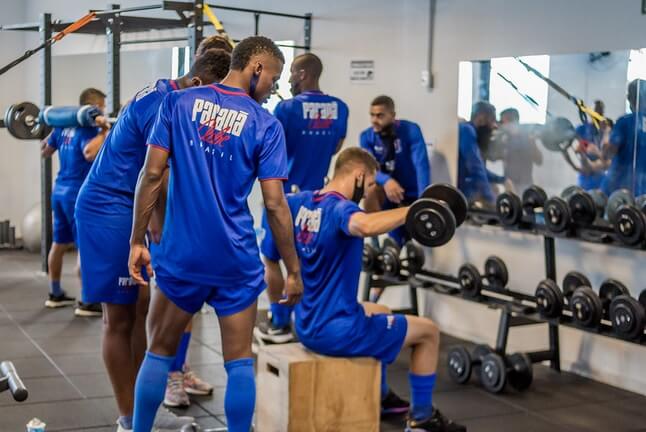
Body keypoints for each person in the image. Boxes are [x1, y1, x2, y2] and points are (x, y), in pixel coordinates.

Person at [127, 36, 303, 432]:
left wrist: (137, 241)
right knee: (239, 361)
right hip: (235, 259)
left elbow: (151, 175)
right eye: (273, 80)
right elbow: (275, 205)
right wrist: (293, 270)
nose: (273, 89)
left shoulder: (178, 103)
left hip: (182, 256)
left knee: (158, 352)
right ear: (257, 68)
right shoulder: (265, 124)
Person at [75, 49, 231, 432]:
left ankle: (145, 410)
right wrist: (156, 226)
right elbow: (155, 173)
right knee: (118, 318)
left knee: (140, 308)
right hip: (109, 209)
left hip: (126, 206)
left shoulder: (170, 93)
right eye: (213, 95)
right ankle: (129, 419)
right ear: (197, 83)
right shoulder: (165, 103)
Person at [262, 147, 466, 432]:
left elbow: (270, 249)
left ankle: (380, 398)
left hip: (306, 323)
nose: (369, 193)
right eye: (370, 184)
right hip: (338, 331)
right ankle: (421, 419)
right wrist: (415, 209)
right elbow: (365, 225)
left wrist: (279, 312)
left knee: (380, 310)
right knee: (429, 332)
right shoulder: (342, 209)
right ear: (359, 175)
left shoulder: (299, 202)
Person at [255, 52, 349, 344]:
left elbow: (270, 148)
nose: (288, 80)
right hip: (318, 199)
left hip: (284, 198)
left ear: (304, 74)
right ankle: (309, 323)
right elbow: (336, 148)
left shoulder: (287, 108)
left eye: (292, 73)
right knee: (308, 261)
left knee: (272, 259)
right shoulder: (340, 108)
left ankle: (280, 323)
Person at [163, 35, 236, 410]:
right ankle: (169, 376)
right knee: (166, 311)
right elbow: (153, 170)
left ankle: (179, 369)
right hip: (169, 220)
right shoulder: (172, 102)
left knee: (187, 309)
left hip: (200, 227)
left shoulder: (222, 112)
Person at [41, 88, 108, 315]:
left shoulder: (62, 126)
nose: (104, 111)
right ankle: (88, 301)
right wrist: (104, 131)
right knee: (84, 246)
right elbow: (89, 153)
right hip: (77, 195)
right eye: (103, 107)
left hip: (59, 192)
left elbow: (45, 150)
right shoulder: (88, 128)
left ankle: (55, 294)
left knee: (59, 244)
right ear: (94, 107)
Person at [359, 95, 431, 246]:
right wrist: (386, 181)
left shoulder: (411, 130)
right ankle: (375, 246)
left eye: (380, 115)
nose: (374, 120)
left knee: (406, 240)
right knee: (370, 191)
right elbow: (369, 170)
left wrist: (423, 200)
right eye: (372, 115)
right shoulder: (366, 137)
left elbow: (421, 165)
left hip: (410, 193)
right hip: (387, 194)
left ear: (392, 115)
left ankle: (402, 244)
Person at [601, 79, 646, 196]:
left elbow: (608, 153)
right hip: (642, 194)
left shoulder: (625, 122)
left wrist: (606, 132)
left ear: (630, 98)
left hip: (618, 191)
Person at [458, 101, 504, 203]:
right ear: (481, 118)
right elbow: (475, 168)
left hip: (464, 192)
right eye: (492, 120)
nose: (494, 126)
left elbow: (481, 169)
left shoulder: (469, 132)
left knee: (494, 188)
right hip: (461, 193)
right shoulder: (467, 130)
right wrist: (492, 201)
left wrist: (502, 180)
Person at [499, 108, 543, 195]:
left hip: (525, 185)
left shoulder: (527, 138)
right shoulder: (505, 138)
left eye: (503, 122)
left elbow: (539, 160)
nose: (501, 125)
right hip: (509, 185)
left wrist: (531, 143)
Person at [575, 100, 610, 190]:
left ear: (602, 113)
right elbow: (577, 149)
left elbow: (608, 158)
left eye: (600, 112)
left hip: (601, 175)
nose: (597, 114)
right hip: (585, 174)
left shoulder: (606, 130)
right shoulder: (582, 129)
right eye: (595, 111)